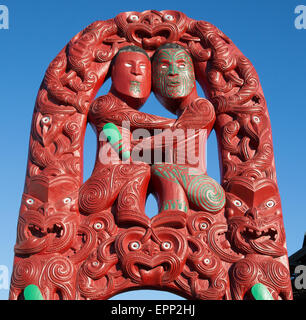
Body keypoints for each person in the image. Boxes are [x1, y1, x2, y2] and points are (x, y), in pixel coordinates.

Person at [79, 45, 175, 226]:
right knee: (140, 165)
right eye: (129, 65)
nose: (137, 72)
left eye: (143, 68)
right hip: (99, 188)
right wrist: (180, 124)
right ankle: (128, 209)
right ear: (113, 71)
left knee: (164, 162)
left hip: (116, 178)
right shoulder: (104, 104)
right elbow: (138, 119)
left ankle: (172, 209)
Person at [134, 43, 225, 218]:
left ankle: (174, 213)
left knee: (162, 168)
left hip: (205, 190)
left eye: (181, 65)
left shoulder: (202, 107)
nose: (173, 72)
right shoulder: (185, 114)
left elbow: (173, 138)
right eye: (164, 66)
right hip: (193, 184)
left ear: (192, 72)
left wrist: (131, 146)